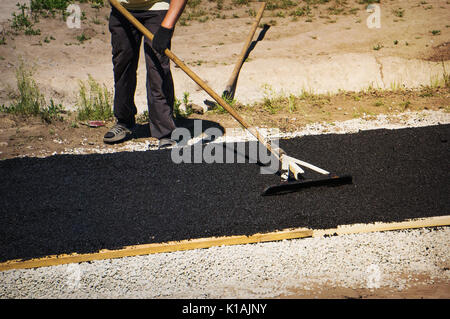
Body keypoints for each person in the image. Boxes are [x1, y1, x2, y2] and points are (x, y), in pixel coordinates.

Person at [104, 0, 187, 148]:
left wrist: (167, 27)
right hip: (122, 8)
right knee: (122, 64)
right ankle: (124, 121)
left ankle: (165, 130)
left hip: (157, 9)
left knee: (157, 68)